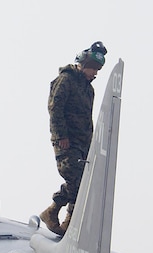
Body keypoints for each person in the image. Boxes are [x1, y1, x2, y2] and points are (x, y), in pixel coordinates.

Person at [42, 41, 107, 235]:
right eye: (93, 69)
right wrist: (61, 135)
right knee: (75, 179)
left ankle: (60, 217)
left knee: (81, 183)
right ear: (83, 64)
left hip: (82, 144)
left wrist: (92, 146)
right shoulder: (66, 80)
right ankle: (61, 216)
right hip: (66, 141)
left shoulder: (88, 90)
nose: (94, 74)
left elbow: (87, 119)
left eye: (97, 70)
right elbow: (55, 108)